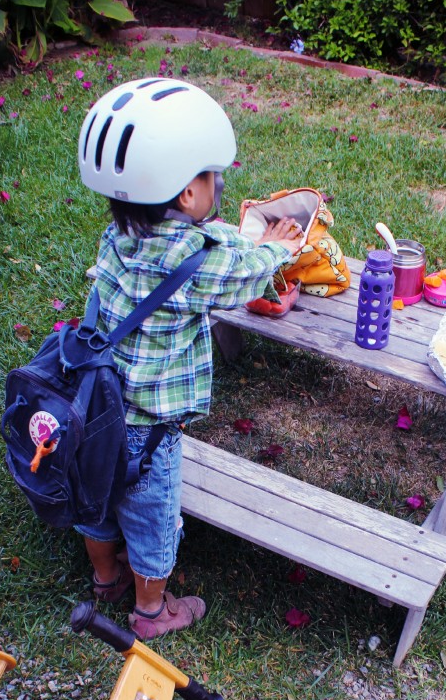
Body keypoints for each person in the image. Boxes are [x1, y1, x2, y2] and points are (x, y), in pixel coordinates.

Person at [76, 77, 303, 639]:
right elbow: (244, 274)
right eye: (211, 178)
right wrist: (281, 248)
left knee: (98, 501)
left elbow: (205, 242)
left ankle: (106, 579)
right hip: (149, 429)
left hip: (94, 407)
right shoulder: (193, 264)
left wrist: (231, 236)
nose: (218, 185)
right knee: (152, 519)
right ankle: (153, 611)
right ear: (185, 196)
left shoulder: (120, 234)